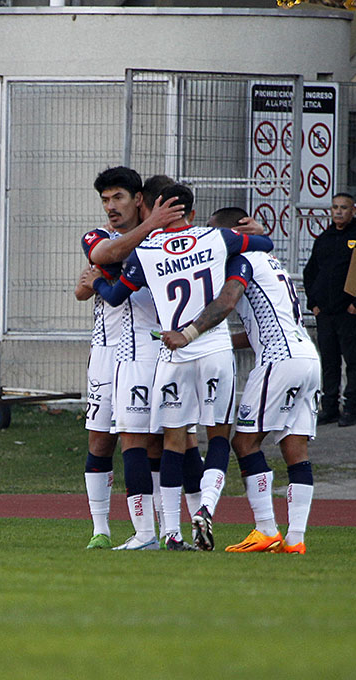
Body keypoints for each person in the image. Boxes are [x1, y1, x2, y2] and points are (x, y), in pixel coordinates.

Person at [90, 184, 274, 551]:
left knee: (173, 441)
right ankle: (205, 508)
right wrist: (254, 234)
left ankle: (170, 533)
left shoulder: (146, 250)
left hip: (172, 353)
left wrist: (94, 280)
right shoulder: (217, 237)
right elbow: (264, 248)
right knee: (217, 436)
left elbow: (113, 296)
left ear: (155, 208)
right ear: (191, 214)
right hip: (214, 350)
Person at [163, 207, 319, 554]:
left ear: (236, 233)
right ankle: (295, 539)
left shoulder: (242, 260)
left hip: (279, 360)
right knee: (295, 449)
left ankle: (265, 529)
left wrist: (189, 334)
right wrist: (214, 340)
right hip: (307, 356)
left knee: (244, 443)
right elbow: (255, 330)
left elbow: (227, 301)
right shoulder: (272, 261)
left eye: (221, 236)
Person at [74, 169, 185, 550]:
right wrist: (150, 226)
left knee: (157, 442)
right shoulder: (101, 236)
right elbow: (101, 259)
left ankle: (156, 529)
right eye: (105, 200)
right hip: (108, 355)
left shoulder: (165, 239)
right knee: (101, 441)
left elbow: (93, 282)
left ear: (138, 198)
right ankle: (100, 530)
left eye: (117, 198)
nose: (110, 207)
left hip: (156, 348)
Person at [302, 192, 356, 427]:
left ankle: (351, 409)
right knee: (328, 361)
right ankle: (329, 408)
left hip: (350, 313)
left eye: (344, 208)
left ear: (353, 211)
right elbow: (311, 273)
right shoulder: (325, 238)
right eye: (335, 207)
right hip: (325, 313)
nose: (338, 211)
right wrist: (313, 304)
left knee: (353, 360)